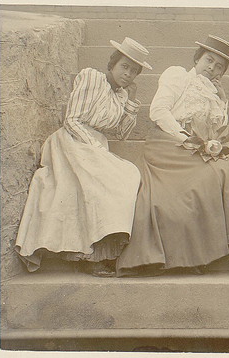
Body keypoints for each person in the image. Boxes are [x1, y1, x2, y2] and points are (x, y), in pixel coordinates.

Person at [15, 37, 152, 276]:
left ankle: (99, 251)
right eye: (124, 66)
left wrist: (130, 103)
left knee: (129, 174)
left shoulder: (120, 96)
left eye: (134, 71)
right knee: (105, 178)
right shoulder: (92, 77)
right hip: (71, 140)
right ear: (112, 64)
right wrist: (94, 149)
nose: (128, 74)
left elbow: (121, 134)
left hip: (94, 145)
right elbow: (72, 119)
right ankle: (89, 256)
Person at [116, 35, 229, 276]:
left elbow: (220, 128)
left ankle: (221, 245)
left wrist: (223, 101)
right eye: (209, 60)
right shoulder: (178, 76)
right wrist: (185, 138)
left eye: (219, 66)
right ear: (197, 58)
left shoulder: (215, 92)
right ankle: (190, 254)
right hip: (169, 143)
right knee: (203, 179)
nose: (212, 68)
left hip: (198, 147)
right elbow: (158, 111)